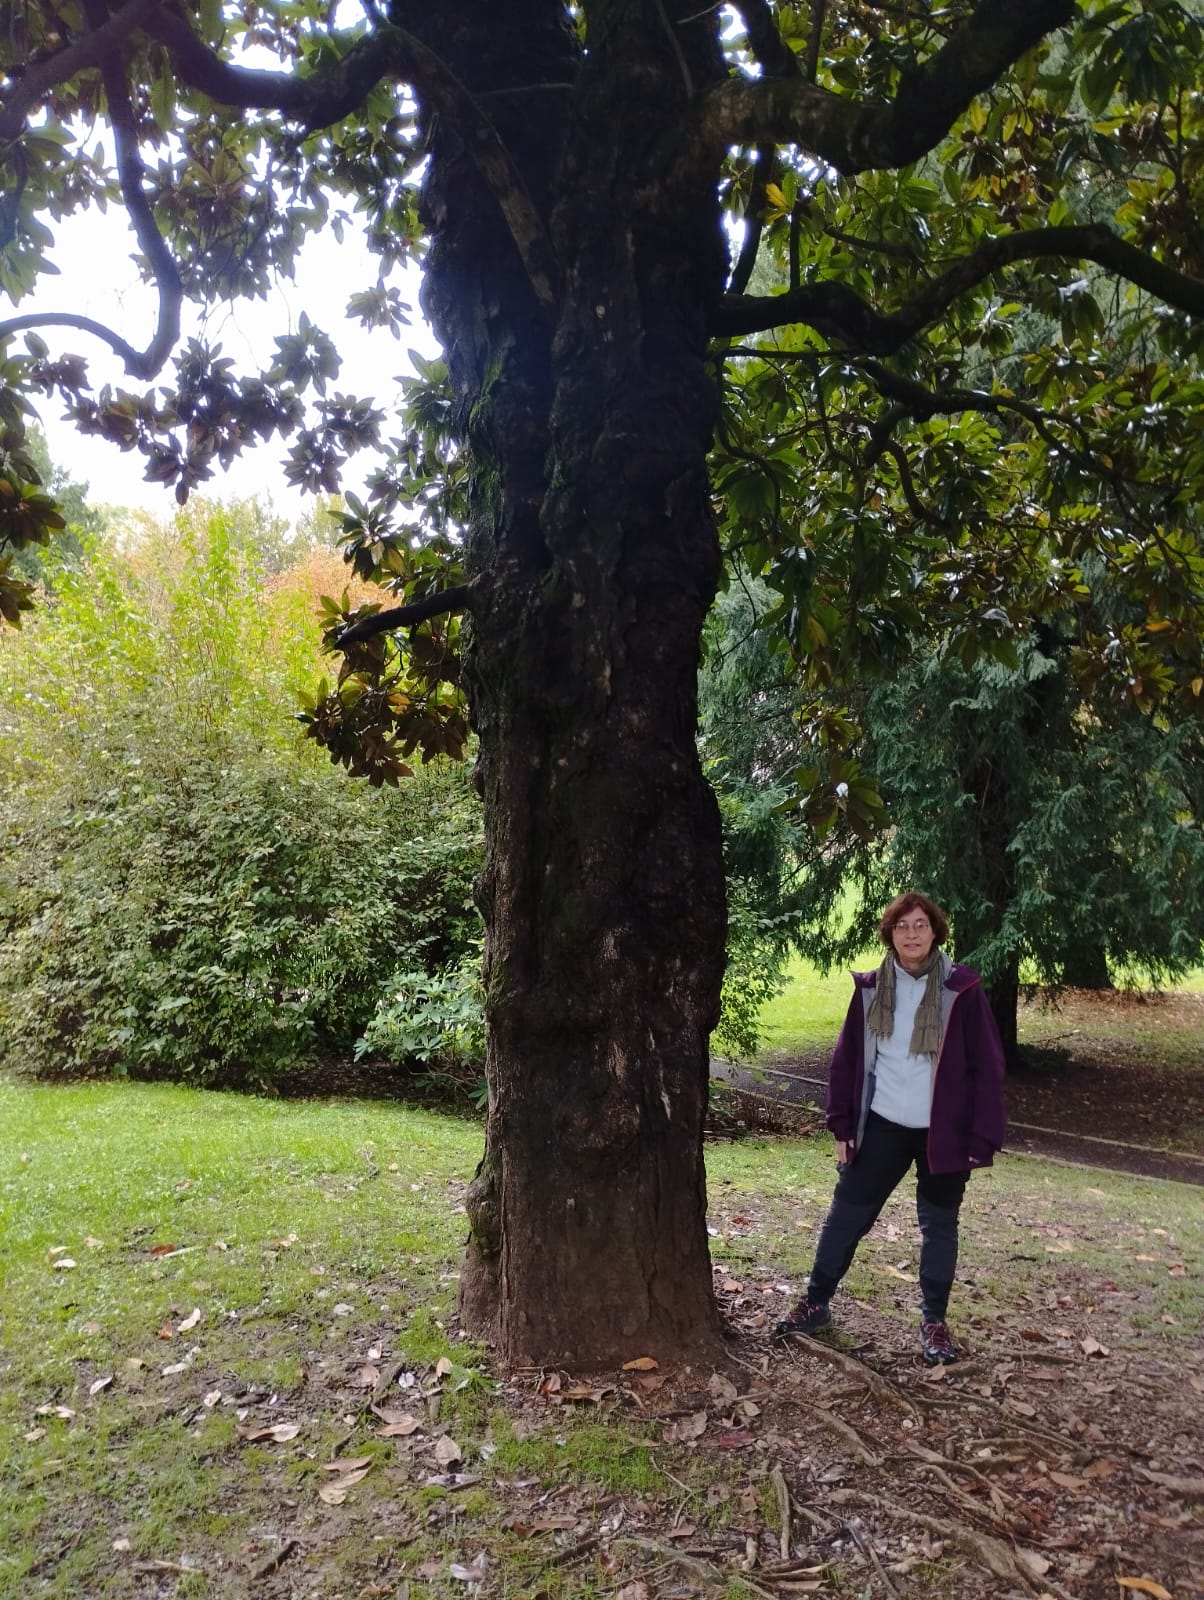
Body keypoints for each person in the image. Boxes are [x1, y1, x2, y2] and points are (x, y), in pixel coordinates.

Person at [776, 892, 1007, 1364]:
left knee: (939, 1226)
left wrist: (982, 1136)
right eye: (902, 926)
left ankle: (934, 1322)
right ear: (890, 934)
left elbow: (988, 1066)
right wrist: (842, 1125)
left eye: (920, 925)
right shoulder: (870, 990)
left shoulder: (962, 990)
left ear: (935, 931)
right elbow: (846, 1062)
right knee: (846, 1214)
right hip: (881, 1124)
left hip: (943, 1133)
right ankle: (816, 1302)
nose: (911, 934)